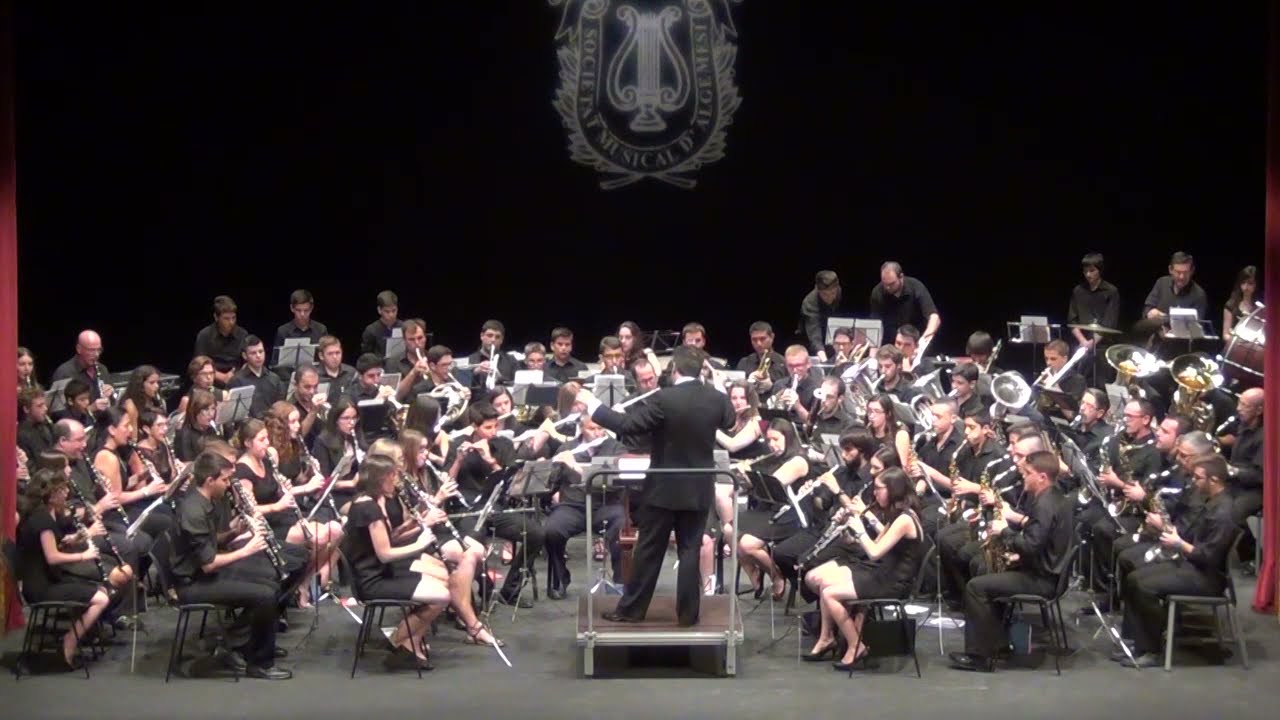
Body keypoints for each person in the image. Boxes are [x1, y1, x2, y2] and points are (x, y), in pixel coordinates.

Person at [576, 345, 735, 625]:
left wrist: (592, 405)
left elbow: (627, 426)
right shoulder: (716, 399)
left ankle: (632, 610)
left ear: (675, 370)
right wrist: (719, 385)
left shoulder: (664, 399)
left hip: (663, 489)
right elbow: (730, 421)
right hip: (698, 488)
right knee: (689, 551)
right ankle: (688, 615)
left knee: (649, 550)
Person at [170, 451, 293, 679]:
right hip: (192, 583)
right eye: (225, 480)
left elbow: (210, 542)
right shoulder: (193, 510)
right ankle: (260, 664)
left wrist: (235, 531)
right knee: (265, 595)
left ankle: (248, 644)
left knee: (271, 581)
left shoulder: (205, 501)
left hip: (202, 573)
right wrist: (247, 550)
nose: (228, 485)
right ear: (209, 481)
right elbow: (208, 564)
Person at [948, 450, 1073, 672]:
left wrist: (1004, 531)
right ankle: (998, 643)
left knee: (976, 587)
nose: (1023, 476)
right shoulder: (1055, 498)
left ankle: (980, 656)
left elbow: (1030, 545)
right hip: (1046, 571)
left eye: (1027, 473)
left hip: (1041, 580)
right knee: (985, 571)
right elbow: (1040, 543)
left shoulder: (1044, 505)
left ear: (1042, 477)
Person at [1116, 453, 1237, 667]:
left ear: (1215, 480)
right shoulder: (1212, 501)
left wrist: (1178, 543)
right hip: (1192, 565)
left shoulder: (1224, 513)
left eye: (1199, 478)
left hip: (1207, 577)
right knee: (1134, 577)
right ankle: (1138, 643)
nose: (1194, 481)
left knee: (1143, 585)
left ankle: (1152, 651)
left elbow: (1208, 557)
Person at [804, 467, 925, 669]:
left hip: (893, 582)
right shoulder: (897, 513)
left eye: (879, 489)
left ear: (893, 490)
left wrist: (860, 530)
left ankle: (855, 645)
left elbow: (875, 552)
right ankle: (828, 638)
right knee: (825, 585)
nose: (874, 493)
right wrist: (851, 534)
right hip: (883, 572)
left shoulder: (904, 518)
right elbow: (878, 541)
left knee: (830, 594)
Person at [17, 469, 133, 670]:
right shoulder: (42, 520)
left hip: (51, 579)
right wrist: (84, 555)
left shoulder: (47, 515)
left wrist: (76, 539)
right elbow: (52, 557)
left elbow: (52, 547)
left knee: (103, 590)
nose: (67, 493)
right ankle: (69, 641)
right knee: (101, 599)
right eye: (62, 490)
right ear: (51, 496)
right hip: (42, 587)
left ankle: (82, 635)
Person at [543, 416, 628, 599]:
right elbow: (550, 486)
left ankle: (622, 582)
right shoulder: (567, 448)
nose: (598, 432)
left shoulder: (616, 448)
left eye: (601, 428)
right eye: (592, 428)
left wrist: (576, 467)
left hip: (606, 504)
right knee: (551, 530)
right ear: (582, 428)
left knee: (622, 525)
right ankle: (560, 578)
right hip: (573, 506)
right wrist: (554, 466)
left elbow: (619, 483)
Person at [735, 419, 810, 601]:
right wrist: (743, 476)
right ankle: (754, 573)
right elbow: (755, 490)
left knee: (747, 545)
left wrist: (749, 474)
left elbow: (772, 484)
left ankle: (775, 574)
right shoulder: (772, 458)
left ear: (788, 438)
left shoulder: (798, 460)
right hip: (769, 509)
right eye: (769, 440)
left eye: (776, 439)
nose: (772, 445)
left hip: (790, 514)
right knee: (730, 529)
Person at [1068, 252, 1121, 382]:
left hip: (1103, 348)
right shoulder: (1078, 291)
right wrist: (1083, 342)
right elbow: (1072, 320)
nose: (1088, 275)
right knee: (1080, 383)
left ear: (1100, 271)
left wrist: (1091, 343)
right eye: (1085, 271)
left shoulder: (1111, 291)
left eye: (1092, 271)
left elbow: (1109, 324)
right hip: (1082, 345)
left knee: (1101, 385)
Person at [1226, 387, 1263, 568]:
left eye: (1245, 405)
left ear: (1259, 410)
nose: (1239, 408)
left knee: (1234, 512)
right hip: (1236, 482)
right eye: (1239, 402)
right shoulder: (1243, 426)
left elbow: (1260, 475)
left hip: (1256, 490)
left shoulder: (1265, 436)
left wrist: (1232, 471)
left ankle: (1251, 555)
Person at [869, 262, 941, 350]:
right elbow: (875, 324)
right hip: (890, 345)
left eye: (891, 284)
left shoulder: (915, 286)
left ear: (901, 277)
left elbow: (934, 317)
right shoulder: (877, 292)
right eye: (885, 284)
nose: (888, 288)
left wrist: (925, 338)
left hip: (915, 342)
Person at [50, 330, 114, 409]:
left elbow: (113, 404)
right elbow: (58, 412)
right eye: (91, 350)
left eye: (99, 350)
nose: (97, 354)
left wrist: (111, 395)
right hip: (79, 421)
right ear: (79, 349)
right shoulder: (63, 373)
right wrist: (91, 409)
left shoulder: (102, 369)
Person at [194, 296, 249, 386]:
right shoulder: (205, 335)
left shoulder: (242, 334)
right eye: (226, 318)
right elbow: (198, 365)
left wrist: (236, 375)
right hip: (211, 381)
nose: (231, 322)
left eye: (233, 318)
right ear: (216, 317)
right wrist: (222, 377)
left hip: (236, 380)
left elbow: (247, 361)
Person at [1143, 251, 1210, 325]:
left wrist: (1163, 318)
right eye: (1178, 272)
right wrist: (1150, 313)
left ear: (1192, 271)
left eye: (1185, 272)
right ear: (1170, 270)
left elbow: (1196, 325)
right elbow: (1147, 309)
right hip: (1157, 333)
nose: (1182, 277)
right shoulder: (1161, 283)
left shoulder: (1199, 295)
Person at [229, 336, 285, 418]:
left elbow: (281, 406)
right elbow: (233, 412)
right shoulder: (236, 381)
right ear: (245, 356)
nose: (258, 356)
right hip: (248, 427)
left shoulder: (274, 378)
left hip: (272, 425)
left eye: (261, 351)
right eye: (253, 353)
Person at [799, 270, 842, 358]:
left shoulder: (838, 292)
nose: (830, 298)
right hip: (811, 339)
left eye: (833, 293)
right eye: (825, 294)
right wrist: (823, 357)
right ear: (818, 289)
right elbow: (815, 335)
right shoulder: (810, 303)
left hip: (832, 335)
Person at [360, 290, 403, 358]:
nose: (391, 314)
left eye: (394, 310)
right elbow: (366, 356)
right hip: (379, 366)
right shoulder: (371, 330)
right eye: (387, 311)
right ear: (379, 310)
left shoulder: (404, 327)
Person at [1222, 265, 1261, 340]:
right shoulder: (1231, 305)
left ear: (1256, 284)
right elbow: (1225, 335)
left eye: (1250, 283)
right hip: (1234, 347)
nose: (1246, 287)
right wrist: (1238, 343)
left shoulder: (1260, 308)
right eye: (1243, 283)